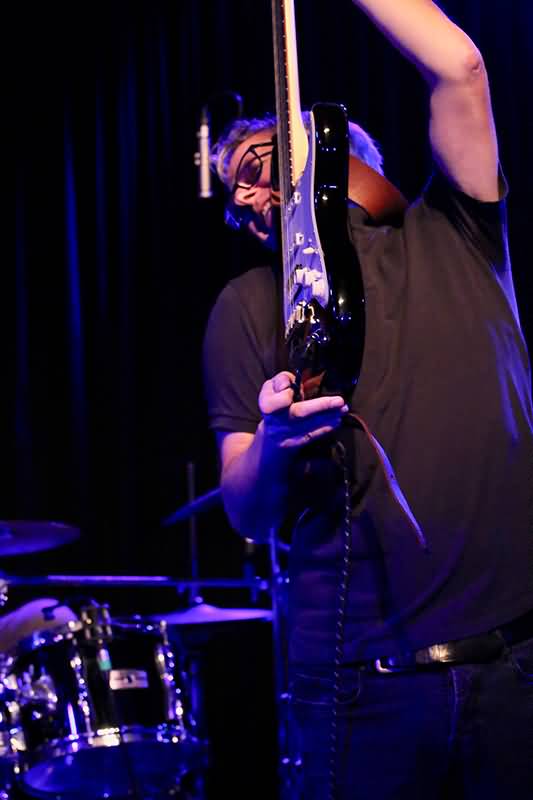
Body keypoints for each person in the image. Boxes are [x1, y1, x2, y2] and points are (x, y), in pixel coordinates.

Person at [203, 1, 533, 798]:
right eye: (235, 194)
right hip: (362, 688)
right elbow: (245, 509)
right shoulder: (248, 305)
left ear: (335, 158)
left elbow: (459, 66)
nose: (246, 200)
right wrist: (274, 448)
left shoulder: (455, 229)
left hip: (515, 666)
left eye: (258, 169)